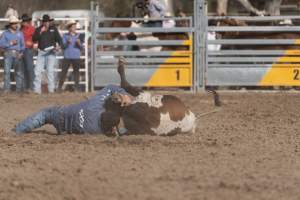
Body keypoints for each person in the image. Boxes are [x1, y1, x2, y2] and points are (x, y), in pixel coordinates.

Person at [14, 58, 133, 135]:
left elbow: (109, 87)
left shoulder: (96, 104)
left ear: (103, 112)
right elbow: (118, 132)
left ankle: (16, 131)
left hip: (59, 114)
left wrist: (124, 94)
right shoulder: (97, 132)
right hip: (64, 131)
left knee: (44, 114)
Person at [32, 14, 63, 94]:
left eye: (47, 21)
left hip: (51, 52)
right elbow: (34, 39)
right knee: (37, 71)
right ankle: (37, 91)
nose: (46, 23)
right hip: (41, 52)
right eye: (44, 21)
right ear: (42, 22)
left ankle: (51, 90)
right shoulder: (38, 29)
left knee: (50, 71)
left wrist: (59, 47)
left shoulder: (53, 29)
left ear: (49, 22)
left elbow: (60, 40)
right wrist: (40, 32)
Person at [0, 15, 25, 93]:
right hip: (8, 53)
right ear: (10, 24)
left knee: (18, 72)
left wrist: (21, 53)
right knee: (7, 72)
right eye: (13, 23)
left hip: (17, 53)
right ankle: (7, 89)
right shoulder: (5, 34)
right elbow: (1, 44)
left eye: (16, 23)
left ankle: (19, 90)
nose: (15, 25)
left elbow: (23, 45)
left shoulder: (20, 33)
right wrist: (11, 43)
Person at [57, 20, 82, 92]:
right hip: (67, 56)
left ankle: (77, 88)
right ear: (69, 28)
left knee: (76, 73)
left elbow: (82, 48)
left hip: (76, 56)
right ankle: (59, 88)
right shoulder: (65, 36)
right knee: (63, 72)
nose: (75, 28)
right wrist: (67, 42)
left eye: (75, 26)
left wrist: (79, 44)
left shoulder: (79, 36)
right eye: (73, 26)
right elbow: (63, 47)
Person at [20, 14, 35, 91]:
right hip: (22, 50)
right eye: (23, 21)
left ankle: (31, 87)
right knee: (24, 68)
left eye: (25, 21)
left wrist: (32, 43)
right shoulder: (20, 30)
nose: (24, 22)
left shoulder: (32, 29)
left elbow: (35, 39)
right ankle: (26, 87)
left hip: (28, 50)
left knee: (29, 68)